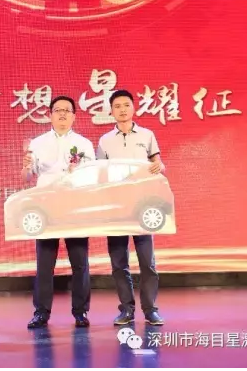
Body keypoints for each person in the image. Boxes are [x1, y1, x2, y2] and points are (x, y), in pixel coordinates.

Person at [23, 95, 95, 329]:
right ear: (50, 115)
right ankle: (41, 312)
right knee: (45, 263)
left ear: (74, 116)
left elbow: (92, 175)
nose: (62, 114)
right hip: (47, 206)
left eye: (67, 110)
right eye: (57, 110)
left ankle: (81, 312)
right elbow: (27, 176)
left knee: (80, 262)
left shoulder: (84, 144)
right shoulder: (37, 143)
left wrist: (77, 172)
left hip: (74, 205)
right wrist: (25, 167)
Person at [95, 89, 164, 326]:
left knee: (147, 262)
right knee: (118, 263)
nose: (122, 110)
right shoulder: (105, 141)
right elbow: (100, 174)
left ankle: (150, 309)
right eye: (117, 106)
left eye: (126, 105)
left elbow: (157, 163)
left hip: (142, 206)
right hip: (116, 207)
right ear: (111, 111)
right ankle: (126, 309)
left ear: (133, 108)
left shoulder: (146, 135)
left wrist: (159, 166)